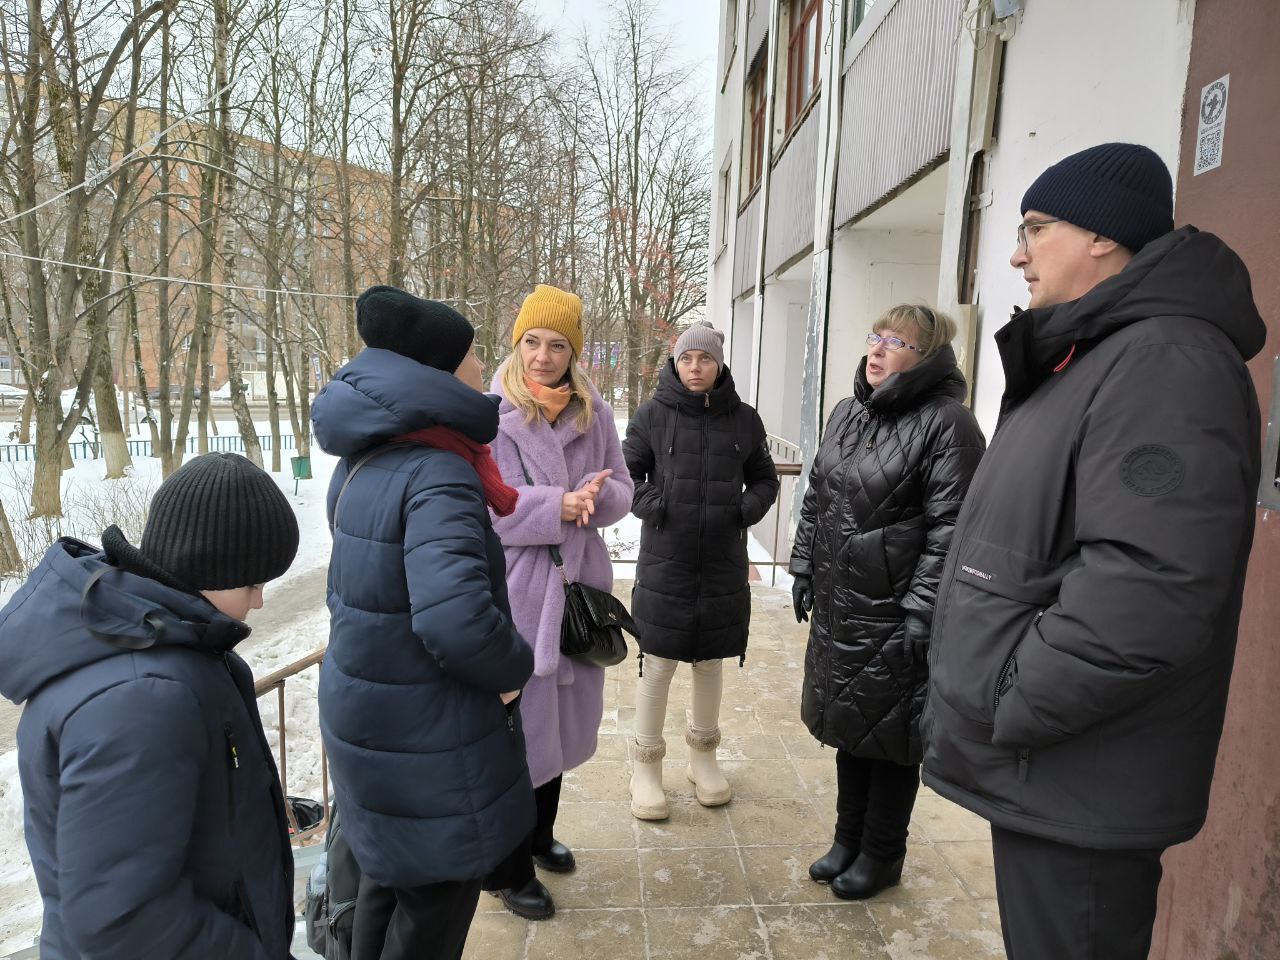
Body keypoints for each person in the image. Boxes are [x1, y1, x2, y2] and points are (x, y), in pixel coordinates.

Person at [922, 143, 1264, 960]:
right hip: (1059, 769)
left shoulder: (1165, 360)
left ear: (1104, 237)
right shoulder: (1100, 352)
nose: (1017, 252)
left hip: (1081, 775)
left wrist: (1014, 695)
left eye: (1036, 228)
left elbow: (1151, 585)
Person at [0, 453, 300, 959]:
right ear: (212, 566)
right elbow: (123, 919)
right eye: (253, 583)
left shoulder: (176, 650)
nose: (260, 602)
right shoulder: (143, 695)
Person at [313, 285, 535, 960]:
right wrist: (513, 671)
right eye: (472, 356)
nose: (481, 368)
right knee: (435, 909)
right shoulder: (439, 471)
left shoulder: (371, 454)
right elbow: (456, 619)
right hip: (426, 739)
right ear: (439, 370)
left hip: (372, 716)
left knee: (387, 884)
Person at [790, 304, 985, 900]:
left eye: (896, 341)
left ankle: (881, 854)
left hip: (896, 612)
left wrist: (923, 607)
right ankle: (847, 839)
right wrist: (802, 565)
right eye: (875, 335)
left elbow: (952, 527)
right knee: (852, 725)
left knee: (893, 736)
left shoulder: (947, 424)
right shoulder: (847, 413)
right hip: (843, 604)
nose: (876, 350)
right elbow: (818, 497)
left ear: (924, 358)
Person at [484, 283, 634, 920]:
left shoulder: (592, 413)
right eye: (532, 342)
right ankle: (506, 869)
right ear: (516, 343)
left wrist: (597, 500)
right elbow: (488, 511)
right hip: (519, 595)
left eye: (557, 345)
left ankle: (541, 837)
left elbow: (624, 487)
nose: (542, 357)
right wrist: (559, 506)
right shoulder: (490, 415)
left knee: (561, 728)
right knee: (516, 736)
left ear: (574, 352)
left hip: (577, 589)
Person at [623, 321, 779, 819]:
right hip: (665, 560)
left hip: (721, 562)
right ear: (675, 361)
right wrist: (658, 505)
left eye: (705, 359)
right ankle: (645, 767)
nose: (695, 368)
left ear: (718, 364)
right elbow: (628, 475)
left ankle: (703, 759)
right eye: (687, 359)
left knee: (711, 661)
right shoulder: (651, 415)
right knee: (660, 662)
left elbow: (764, 478)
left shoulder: (744, 420)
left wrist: (742, 510)